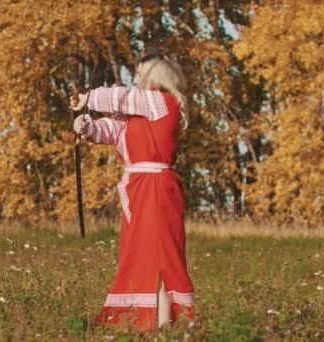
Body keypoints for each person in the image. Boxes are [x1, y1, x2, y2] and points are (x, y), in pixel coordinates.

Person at [69, 50, 194, 331]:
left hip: (156, 187)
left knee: (161, 253)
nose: (135, 79)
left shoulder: (162, 102)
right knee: (144, 252)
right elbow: (112, 131)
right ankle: (159, 324)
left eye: (140, 74)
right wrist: (86, 126)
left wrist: (87, 98)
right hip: (139, 188)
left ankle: (166, 322)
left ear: (157, 76)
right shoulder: (141, 111)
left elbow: (123, 98)